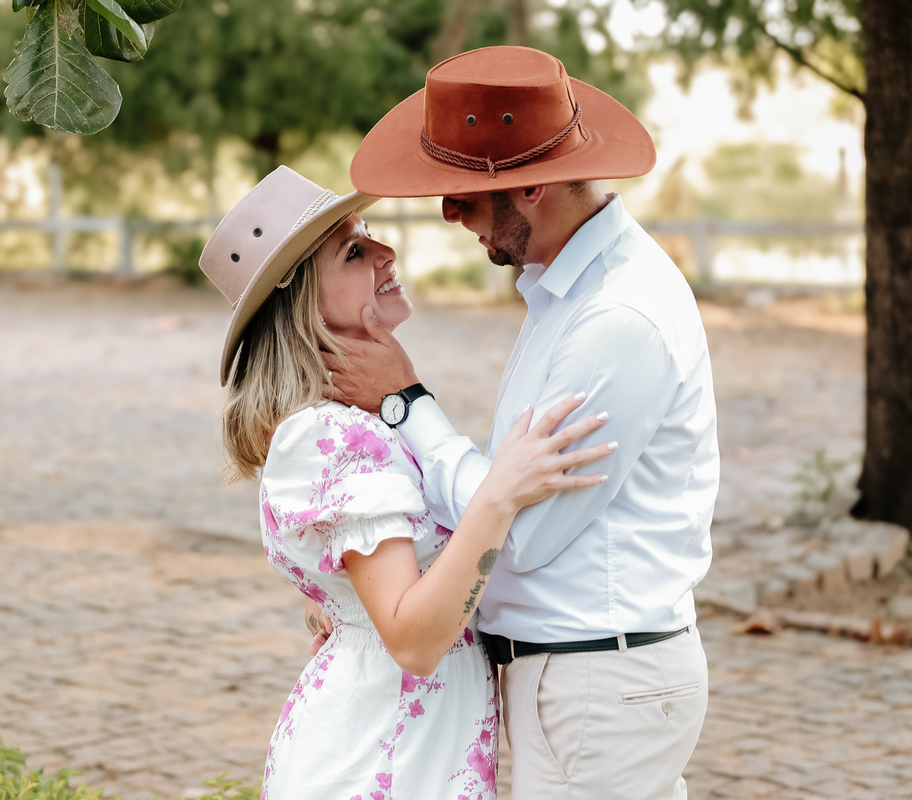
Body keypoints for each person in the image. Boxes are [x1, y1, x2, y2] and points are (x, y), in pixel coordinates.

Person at [322, 46, 719, 799]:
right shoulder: (566, 292)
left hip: (598, 680)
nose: (448, 214)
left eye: (462, 196)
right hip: (583, 676)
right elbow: (506, 493)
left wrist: (406, 402)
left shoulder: (615, 319)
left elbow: (527, 531)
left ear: (531, 185)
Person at [197, 165, 613, 799]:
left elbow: (373, 579)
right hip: (377, 762)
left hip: (402, 746)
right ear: (302, 304)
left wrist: (340, 600)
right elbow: (414, 640)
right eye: (353, 251)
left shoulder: (361, 420)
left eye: (369, 233)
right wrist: (499, 496)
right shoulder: (334, 434)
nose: (386, 252)